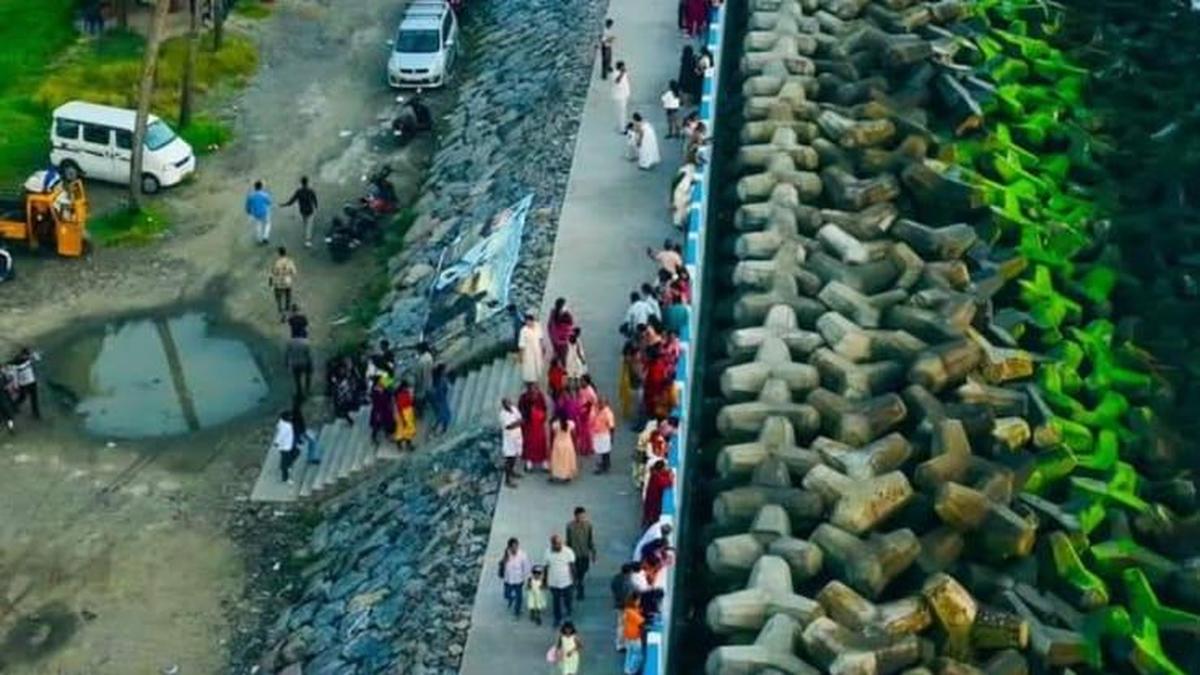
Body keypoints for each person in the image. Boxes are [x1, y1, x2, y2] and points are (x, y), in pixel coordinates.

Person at [544, 535, 577, 626]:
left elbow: (572, 566)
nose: (558, 546)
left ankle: (568, 610)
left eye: (559, 543)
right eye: (556, 544)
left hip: (567, 581)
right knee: (556, 601)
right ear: (552, 544)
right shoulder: (547, 553)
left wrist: (574, 579)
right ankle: (557, 618)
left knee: (568, 599)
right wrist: (544, 581)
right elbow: (546, 567)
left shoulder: (568, 551)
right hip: (553, 582)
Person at [565, 507, 597, 600]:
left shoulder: (588, 525)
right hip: (574, 555)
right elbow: (568, 540)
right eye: (579, 516)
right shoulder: (570, 526)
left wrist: (593, 553)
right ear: (575, 516)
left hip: (584, 554)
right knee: (576, 574)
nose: (581, 518)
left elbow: (590, 540)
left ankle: (578, 586)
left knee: (582, 572)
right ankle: (579, 591)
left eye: (583, 516)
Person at [519, 382, 550, 472]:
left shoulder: (540, 396)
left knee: (541, 443)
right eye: (532, 388)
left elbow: (544, 408)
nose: (534, 390)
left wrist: (542, 416)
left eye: (535, 388)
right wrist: (527, 416)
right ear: (528, 388)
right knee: (529, 443)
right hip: (529, 424)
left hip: (539, 424)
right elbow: (521, 408)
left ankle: (544, 463)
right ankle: (529, 463)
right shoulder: (524, 397)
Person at [282, 176, 319, 248]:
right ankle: (307, 240)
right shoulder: (311, 190)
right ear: (307, 182)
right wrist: (316, 207)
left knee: (305, 224)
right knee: (309, 225)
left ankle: (306, 237)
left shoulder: (299, 191)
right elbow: (315, 200)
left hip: (302, 210)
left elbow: (292, 201)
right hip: (310, 210)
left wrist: (284, 205)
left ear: (301, 183)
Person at [500, 538, 531, 618]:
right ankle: (511, 598)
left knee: (519, 597)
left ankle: (517, 611)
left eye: (516, 546)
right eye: (513, 547)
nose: (515, 549)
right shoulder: (506, 554)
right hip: (508, 580)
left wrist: (527, 578)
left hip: (518, 580)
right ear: (509, 547)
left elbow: (527, 567)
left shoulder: (523, 555)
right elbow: (502, 564)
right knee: (506, 595)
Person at [9, 348, 40, 420]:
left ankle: (36, 414)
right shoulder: (16, 363)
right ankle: (13, 406)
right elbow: (14, 375)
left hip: (32, 381)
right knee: (22, 397)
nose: (27, 356)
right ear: (22, 355)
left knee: (34, 398)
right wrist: (16, 385)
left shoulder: (28, 360)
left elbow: (38, 358)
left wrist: (34, 355)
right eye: (26, 355)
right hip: (23, 383)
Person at [499, 398, 523, 488]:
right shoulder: (502, 414)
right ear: (503, 405)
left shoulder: (514, 409)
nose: (509, 404)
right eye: (507, 403)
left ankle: (512, 472)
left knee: (515, 456)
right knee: (509, 459)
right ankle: (507, 480)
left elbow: (521, 420)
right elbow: (508, 426)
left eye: (509, 402)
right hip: (509, 439)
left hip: (517, 436)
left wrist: (516, 423)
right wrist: (517, 423)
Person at [518, 313, 548, 385]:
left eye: (529, 321)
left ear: (532, 321)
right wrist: (521, 356)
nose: (528, 323)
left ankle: (537, 379)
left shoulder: (537, 326)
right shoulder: (523, 331)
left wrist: (543, 347)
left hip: (537, 350)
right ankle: (530, 381)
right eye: (526, 322)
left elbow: (540, 338)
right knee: (529, 368)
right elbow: (521, 344)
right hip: (528, 352)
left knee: (538, 365)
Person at [643, 460, 674, 527]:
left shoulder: (655, 474)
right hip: (654, 503)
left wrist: (668, 473)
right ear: (661, 468)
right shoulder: (656, 477)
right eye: (665, 467)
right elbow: (667, 483)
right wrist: (671, 476)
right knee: (652, 518)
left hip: (651, 501)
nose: (666, 468)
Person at [549, 411, 578, 483]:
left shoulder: (555, 424)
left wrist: (551, 444)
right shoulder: (571, 424)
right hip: (568, 443)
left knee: (557, 460)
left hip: (558, 443)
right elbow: (574, 434)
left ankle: (556, 475)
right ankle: (567, 475)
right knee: (566, 460)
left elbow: (553, 434)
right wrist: (575, 443)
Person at [269, 247, 297, 320]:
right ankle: (286, 312)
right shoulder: (290, 262)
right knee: (288, 299)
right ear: (285, 253)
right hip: (288, 282)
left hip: (279, 283)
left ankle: (281, 311)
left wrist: (270, 282)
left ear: (279, 253)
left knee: (279, 299)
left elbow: (273, 273)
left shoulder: (277, 263)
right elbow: (294, 272)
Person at [292, 395, 320, 465]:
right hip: (302, 430)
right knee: (313, 441)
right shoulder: (298, 412)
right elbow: (300, 422)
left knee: (312, 441)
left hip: (301, 430)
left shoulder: (296, 410)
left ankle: (311, 457)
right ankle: (312, 458)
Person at [670, 155, 696, 229]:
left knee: (683, 208)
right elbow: (674, 183)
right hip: (680, 192)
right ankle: (678, 223)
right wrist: (672, 199)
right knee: (679, 208)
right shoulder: (684, 171)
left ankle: (681, 222)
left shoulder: (691, 170)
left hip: (685, 192)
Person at [617, 341, 641, 422]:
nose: (639, 355)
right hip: (634, 387)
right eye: (637, 353)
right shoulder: (633, 363)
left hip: (630, 387)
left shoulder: (627, 362)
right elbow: (638, 375)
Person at [621, 597, 646, 674]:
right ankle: (632, 670)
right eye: (638, 600)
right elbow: (641, 622)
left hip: (628, 636)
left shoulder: (627, 610)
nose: (639, 601)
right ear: (634, 601)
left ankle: (627, 669)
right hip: (635, 637)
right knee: (638, 654)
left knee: (630, 653)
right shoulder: (632, 613)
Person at [591, 395, 616, 473]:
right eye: (599, 402)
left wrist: (612, 437)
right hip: (598, 434)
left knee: (604, 451)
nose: (599, 404)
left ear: (605, 403)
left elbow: (612, 427)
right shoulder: (599, 410)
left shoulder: (608, 413)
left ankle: (604, 467)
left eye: (601, 403)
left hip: (604, 435)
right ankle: (605, 464)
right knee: (602, 451)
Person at [368, 376, 395, 445]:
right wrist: (377, 413)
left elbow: (389, 395)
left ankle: (388, 435)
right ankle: (373, 438)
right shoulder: (374, 392)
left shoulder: (385, 388)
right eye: (380, 382)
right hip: (378, 410)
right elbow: (375, 403)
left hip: (386, 409)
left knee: (388, 422)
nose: (382, 383)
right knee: (376, 425)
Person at [575, 376, 598, 457]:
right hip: (581, 412)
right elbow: (579, 399)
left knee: (588, 432)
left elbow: (595, 401)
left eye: (582, 381)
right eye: (581, 381)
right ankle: (583, 447)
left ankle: (589, 448)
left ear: (587, 382)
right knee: (582, 431)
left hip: (589, 414)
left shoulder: (590, 391)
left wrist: (587, 407)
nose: (581, 382)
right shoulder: (581, 389)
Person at [547, 298, 575, 363]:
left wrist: (551, 336)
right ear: (563, 306)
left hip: (554, 338)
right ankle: (561, 365)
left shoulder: (553, 312)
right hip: (562, 341)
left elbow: (549, 325)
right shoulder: (566, 315)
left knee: (557, 352)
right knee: (563, 357)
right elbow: (570, 326)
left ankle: (555, 361)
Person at [245, 180, 273, 244]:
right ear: (261, 187)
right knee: (268, 224)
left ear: (255, 187)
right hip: (264, 212)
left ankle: (259, 239)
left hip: (256, 213)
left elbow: (247, 205)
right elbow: (269, 202)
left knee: (258, 225)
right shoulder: (264, 195)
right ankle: (265, 237)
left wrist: (248, 211)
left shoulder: (251, 195)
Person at [273, 411, 297, 484]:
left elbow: (279, 429)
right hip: (285, 447)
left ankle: (287, 466)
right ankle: (285, 478)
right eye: (290, 417)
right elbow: (281, 435)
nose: (291, 417)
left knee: (294, 453)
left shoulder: (281, 422)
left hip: (287, 445)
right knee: (285, 462)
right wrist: (277, 442)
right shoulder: (286, 426)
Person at [392, 380, 417, 451]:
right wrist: (403, 418)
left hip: (407, 413)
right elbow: (400, 406)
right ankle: (402, 445)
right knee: (402, 430)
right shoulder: (401, 395)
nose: (407, 388)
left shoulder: (405, 393)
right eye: (406, 387)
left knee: (406, 429)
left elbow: (410, 402)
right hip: (403, 413)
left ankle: (405, 445)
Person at [330, 361, 356, 425]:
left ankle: (347, 416)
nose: (341, 371)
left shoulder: (346, 375)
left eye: (342, 369)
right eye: (340, 370)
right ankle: (346, 416)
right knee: (342, 405)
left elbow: (350, 381)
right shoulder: (335, 375)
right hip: (341, 393)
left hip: (345, 392)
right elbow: (334, 382)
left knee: (345, 404)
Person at [413, 342, 435, 417]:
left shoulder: (422, 360)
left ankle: (419, 414)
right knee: (424, 398)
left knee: (419, 400)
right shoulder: (429, 357)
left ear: (420, 349)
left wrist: (417, 385)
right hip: (428, 381)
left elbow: (419, 374)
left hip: (422, 383)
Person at [429, 364, 452, 434]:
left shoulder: (440, 379)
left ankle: (441, 429)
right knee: (444, 415)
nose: (446, 371)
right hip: (440, 399)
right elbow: (441, 390)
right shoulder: (440, 380)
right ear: (441, 371)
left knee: (443, 415)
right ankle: (439, 429)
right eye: (444, 370)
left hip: (441, 399)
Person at [612, 61, 631, 133]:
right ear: (619, 67)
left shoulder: (623, 73)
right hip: (619, 97)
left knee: (623, 112)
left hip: (624, 95)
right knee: (621, 113)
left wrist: (624, 73)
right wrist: (622, 74)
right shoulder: (615, 74)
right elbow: (617, 81)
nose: (624, 68)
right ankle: (622, 129)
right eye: (623, 67)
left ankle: (623, 125)